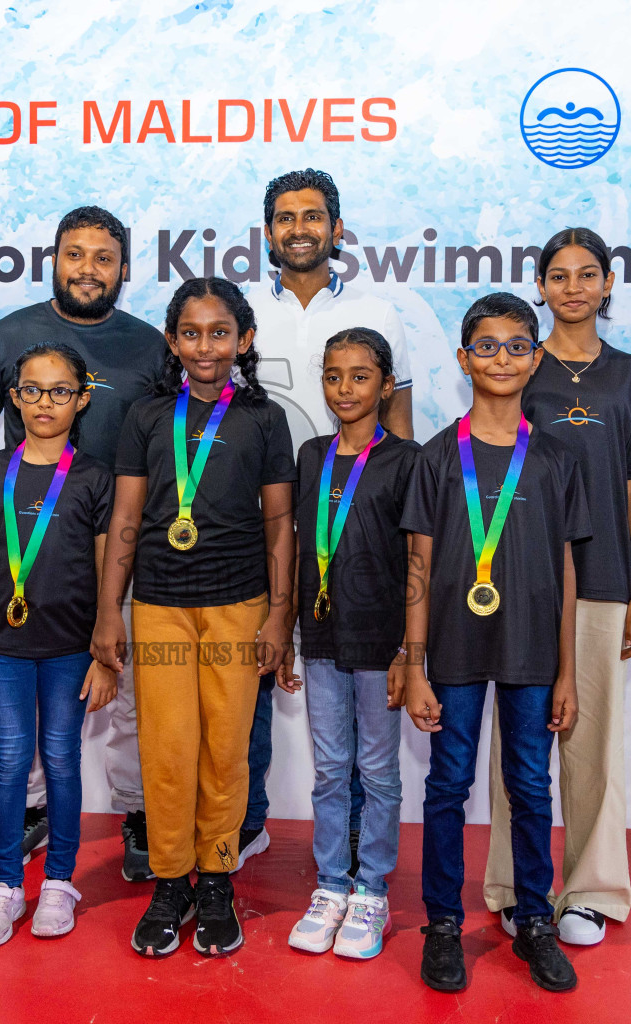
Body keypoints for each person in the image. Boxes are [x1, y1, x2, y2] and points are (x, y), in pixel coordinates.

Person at [0, 206, 163, 882]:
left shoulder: (150, 346)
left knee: (124, 686)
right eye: (75, 254)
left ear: (124, 269)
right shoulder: (10, 334)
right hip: (27, 558)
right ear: (55, 259)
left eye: (103, 257)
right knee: (24, 710)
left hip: (120, 553)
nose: (88, 269)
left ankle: (134, 810)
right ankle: (32, 809)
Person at [91, 277, 296, 958]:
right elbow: (123, 520)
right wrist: (108, 615)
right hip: (158, 610)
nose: (205, 346)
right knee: (169, 750)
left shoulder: (265, 420)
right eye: (190, 332)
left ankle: (216, 878)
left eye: (219, 332)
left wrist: (279, 619)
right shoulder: (148, 417)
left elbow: (279, 531)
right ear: (173, 341)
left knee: (226, 751)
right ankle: (170, 880)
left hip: (240, 609)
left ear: (244, 340)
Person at [484, 228, 631, 945]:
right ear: (540, 286)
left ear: (607, 284)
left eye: (586, 274)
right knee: (519, 744)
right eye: (558, 275)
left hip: (601, 583)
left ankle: (590, 890)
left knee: (592, 744)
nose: (572, 287)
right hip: (519, 585)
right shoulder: (516, 368)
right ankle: (511, 882)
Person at [400, 293, 590, 993]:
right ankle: (443, 924)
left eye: (517, 346)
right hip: (451, 652)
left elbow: (568, 569)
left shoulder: (555, 460)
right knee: (447, 786)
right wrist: (414, 665)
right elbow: (417, 565)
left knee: (532, 789)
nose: (502, 358)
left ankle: (535, 921)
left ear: (535, 359)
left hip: (533, 655)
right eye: (487, 346)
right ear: (463, 359)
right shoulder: (435, 457)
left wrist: (568, 672)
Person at [240, 168, 416, 872]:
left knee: (364, 726)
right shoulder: (246, 310)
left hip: (357, 542)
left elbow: (399, 434)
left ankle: (357, 859)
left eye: (314, 216)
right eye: (286, 217)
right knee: (257, 672)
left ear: (337, 230)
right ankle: (247, 822)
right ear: (269, 233)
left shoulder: (382, 313)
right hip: (253, 527)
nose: (300, 228)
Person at [0, 343, 117, 945]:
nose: (43, 402)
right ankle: (4, 885)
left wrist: (105, 656)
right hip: (1, 646)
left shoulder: (95, 477)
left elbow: (109, 575)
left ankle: (58, 881)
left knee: (61, 758)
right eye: (31, 390)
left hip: (72, 649)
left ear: (80, 400)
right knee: (8, 759)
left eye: (58, 391)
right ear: (14, 398)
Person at [283, 328, 418, 960]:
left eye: (361, 376)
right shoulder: (310, 455)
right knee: (331, 768)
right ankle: (331, 884)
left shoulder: (408, 460)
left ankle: (372, 889)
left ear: (386, 385)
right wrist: (284, 631)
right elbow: (293, 549)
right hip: (319, 637)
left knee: (379, 771)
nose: (346, 388)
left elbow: (419, 563)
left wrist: (408, 653)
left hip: (380, 642)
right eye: (334, 376)